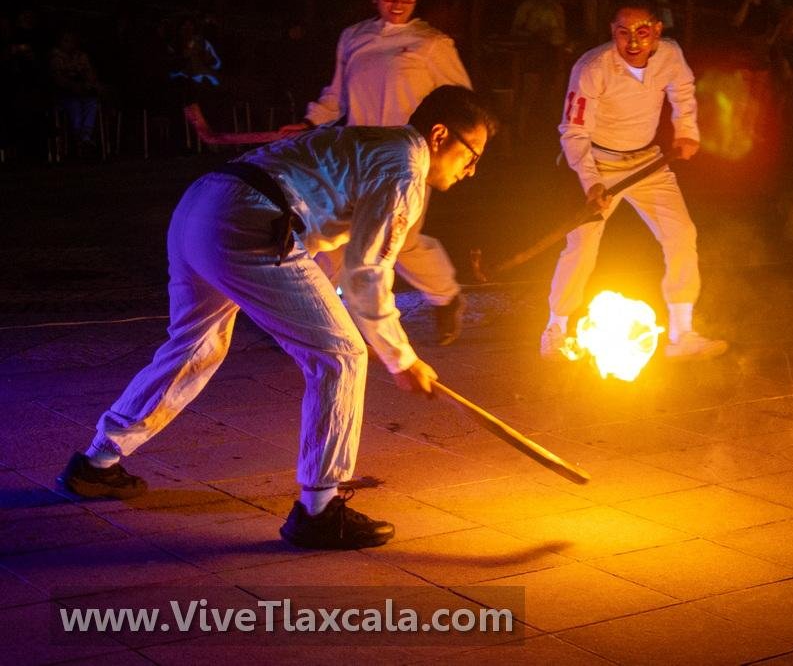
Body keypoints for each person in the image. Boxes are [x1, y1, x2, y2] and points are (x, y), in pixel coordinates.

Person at [58, 86, 496, 549]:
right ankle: (319, 510)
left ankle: (97, 462)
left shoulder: (371, 143)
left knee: (195, 347)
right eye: (471, 155)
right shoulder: (404, 167)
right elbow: (367, 272)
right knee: (342, 355)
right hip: (252, 219)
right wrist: (401, 358)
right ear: (439, 135)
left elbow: (338, 248)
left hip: (202, 205)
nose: (472, 170)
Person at [280, 0, 473, 346]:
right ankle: (304, 318)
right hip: (356, 156)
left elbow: (461, 102)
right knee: (333, 236)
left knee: (402, 242)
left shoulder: (433, 43)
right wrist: (310, 122)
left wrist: (455, 149)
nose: (398, 1)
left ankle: (446, 296)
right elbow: (336, 97)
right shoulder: (354, 37)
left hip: (406, 158)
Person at [541, 0, 727, 361]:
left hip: (647, 163)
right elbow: (573, 131)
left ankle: (682, 333)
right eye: (623, 32)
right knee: (581, 245)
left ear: (657, 30)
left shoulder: (670, 55)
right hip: (598, 163)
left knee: (681, 235)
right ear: (612, 30)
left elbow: (683, 90)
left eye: (642, 32)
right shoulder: (592, 68)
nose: (632, 42)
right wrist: (591, 181)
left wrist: (686, 130)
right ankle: (555, 331)